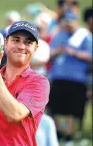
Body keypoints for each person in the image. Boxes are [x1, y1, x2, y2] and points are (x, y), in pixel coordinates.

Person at [48, 11, 92, 146]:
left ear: (76, 22)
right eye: (66, 22)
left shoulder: (85, 36)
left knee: (72, 109)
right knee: (56, 107)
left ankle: (70, 135)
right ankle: (59, 133)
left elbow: (90, 56)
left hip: (77, 78)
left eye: (70, 22)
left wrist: (73, 52)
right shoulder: (59, 35)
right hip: (58, 76)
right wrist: (58, 51)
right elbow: (49, 53)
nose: (68, 25)